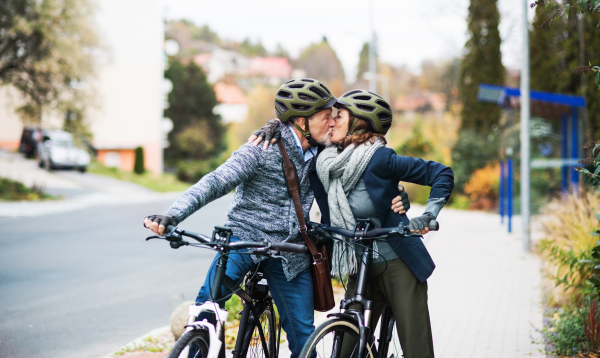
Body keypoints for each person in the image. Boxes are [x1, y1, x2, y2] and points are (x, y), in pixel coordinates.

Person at [144, 79, 408, 358]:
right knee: (207, 306)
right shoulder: (261, 147)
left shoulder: (326, 153)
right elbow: (216, 181)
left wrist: (399, 196)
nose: (332, 122)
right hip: (245, 239)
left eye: (333, 115)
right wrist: (173, 214)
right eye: (325, 115)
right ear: (301, 121)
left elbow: (369, 174)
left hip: (291, 252)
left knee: (304, 340)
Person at [315, 89, 454, 358]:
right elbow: (296, 142)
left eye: (339, 116)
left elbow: (440, 173)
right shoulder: (326, 161)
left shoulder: (380, 158)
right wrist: (273, 128)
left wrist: (428, 215)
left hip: (397, 262)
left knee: (416, 350)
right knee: (344, 348)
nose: (331, 121)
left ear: (359, 123)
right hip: (360, 264)